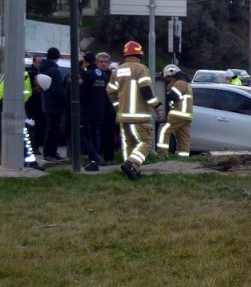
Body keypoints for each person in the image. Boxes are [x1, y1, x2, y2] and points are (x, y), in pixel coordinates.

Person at [107, 40, 163, 181]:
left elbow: (110, 91)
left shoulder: (117, 71)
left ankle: (131, 170)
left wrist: (118, 107)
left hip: (123, 116)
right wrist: (157, 106)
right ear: (139, 55)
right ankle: (132, 164)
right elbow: (146, 90)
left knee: (129, 143)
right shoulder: (141, 69)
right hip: (139, 116)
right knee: (146, 143)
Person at [79, 52, 109, 171]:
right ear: (95, 62)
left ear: (86, 62)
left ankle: (94, 156)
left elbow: (83, 93)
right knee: (95, 134)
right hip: (100, 108)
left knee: (78, 134)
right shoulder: (103, 75)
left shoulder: (86, 74)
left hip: (88, 109)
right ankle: (94, 163)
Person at [158, 64, 193, 157]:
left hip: (178, 114)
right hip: (186, 115)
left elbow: (173, 96)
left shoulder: (179, 83)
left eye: (167, 78)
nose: (167, 81)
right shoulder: (187, 84)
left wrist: (165, 93)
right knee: (183, 137)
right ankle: (184, 158)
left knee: (164, 131)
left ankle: (162, 154)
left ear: (172, 75)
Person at [39, 47, 67, 162]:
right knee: (53, 130)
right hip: (54, 105)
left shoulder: (44, 68)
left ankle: (52, 152)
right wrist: (64, 102)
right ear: (57, 57)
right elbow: (57, 89)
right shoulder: (54, 70)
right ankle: (49, 153)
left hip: (47, 103)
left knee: (51, 129)